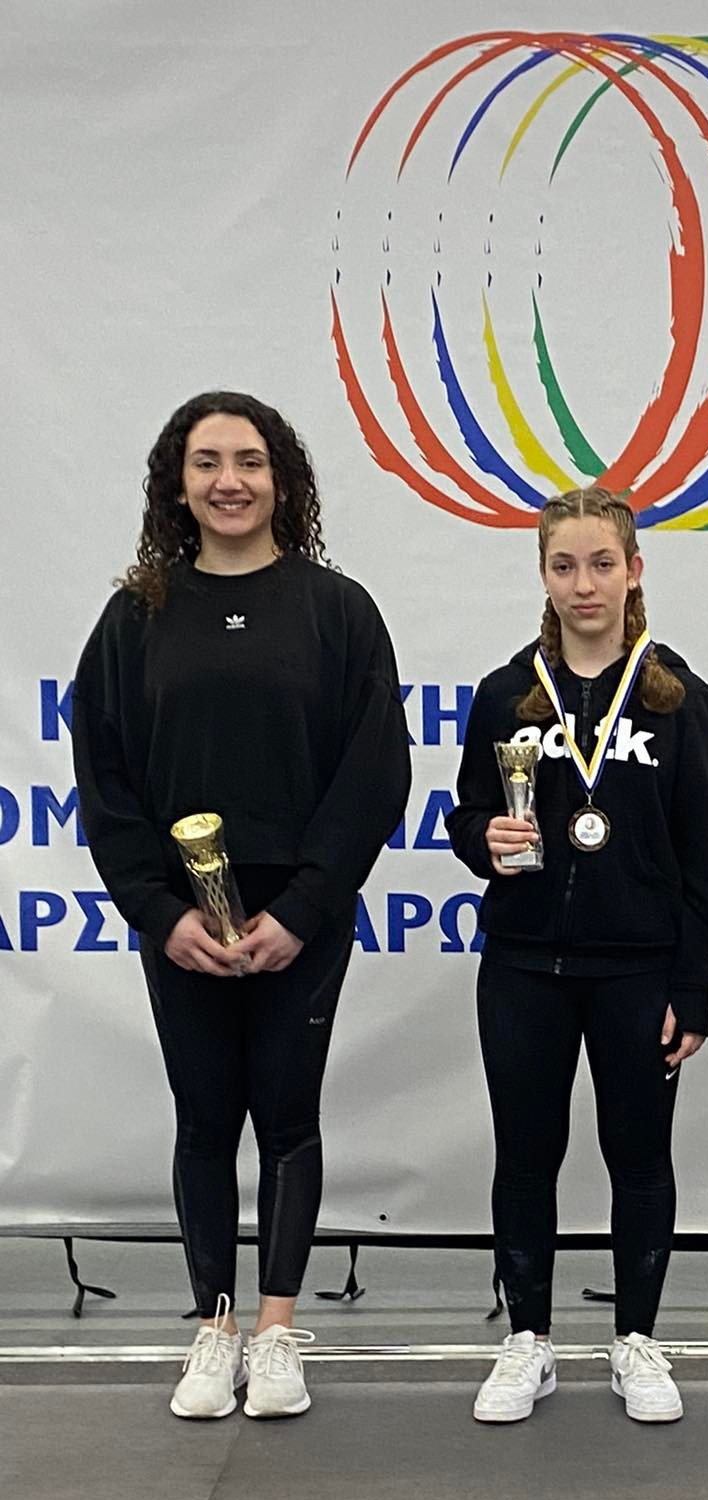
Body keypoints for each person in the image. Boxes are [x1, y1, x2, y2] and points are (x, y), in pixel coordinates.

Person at [72, 392, 410, 1421]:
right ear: (176, 484)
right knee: (206, 1119)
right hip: (183, 923)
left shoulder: (337, 610)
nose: (231, 481)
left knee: (288, 1117)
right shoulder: (135, 617)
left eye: (251, 461)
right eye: (208, 462)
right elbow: (105, 777)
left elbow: (373, 772)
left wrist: (305, 906)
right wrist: (158, 911)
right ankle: (214, 1329)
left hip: (298, 915)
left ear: (282, 480)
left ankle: (275, 1331)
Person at [447, 486, 708, 1426]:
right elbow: (466, 815)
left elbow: (703, 855)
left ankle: (636, 1339)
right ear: (543, 575)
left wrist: (695, 985)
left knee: (639, 1156)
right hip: (524, 964)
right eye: (564, 566)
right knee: (526, 1155)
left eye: (602, 564)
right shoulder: (505, 694)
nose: (584, 584)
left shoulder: (679, 699)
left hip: (638, 971)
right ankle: (527, 1338)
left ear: (634, 570)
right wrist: (482, 838)